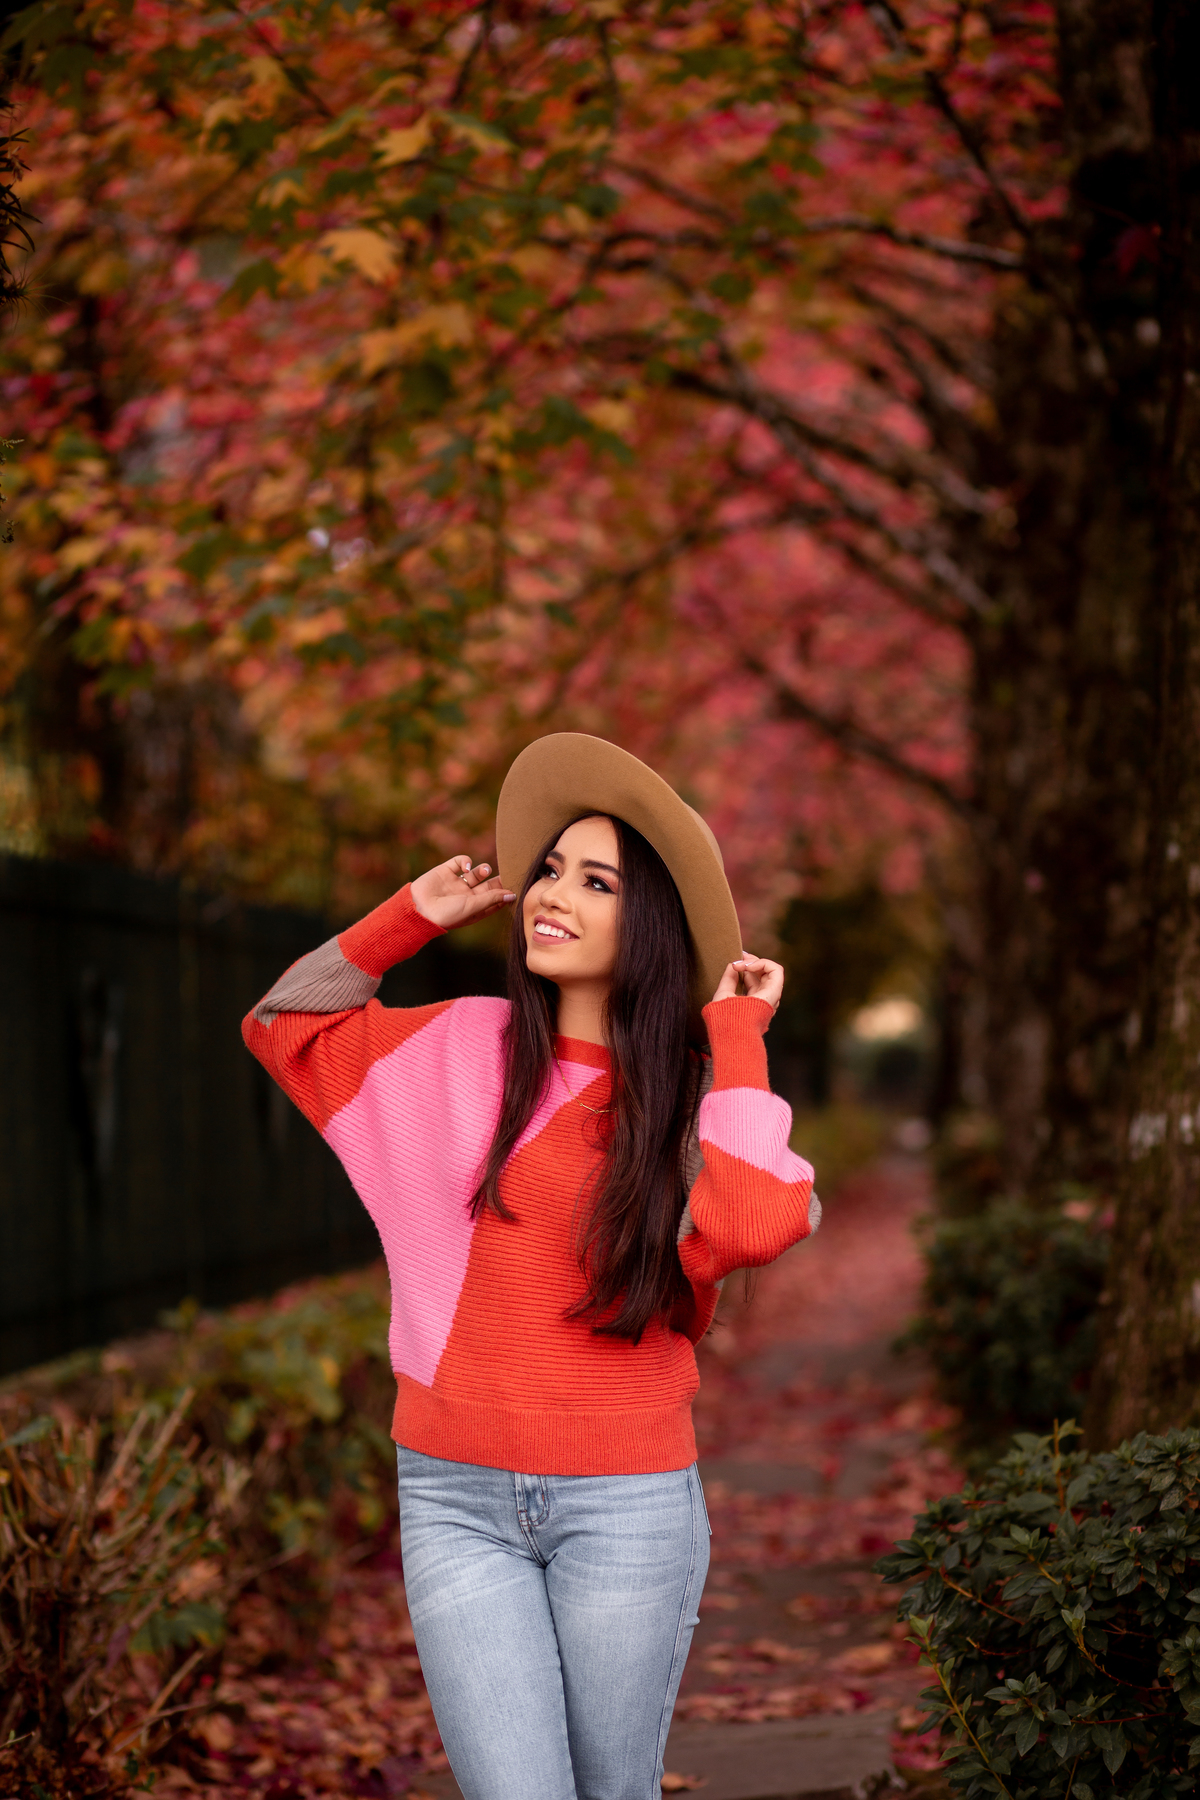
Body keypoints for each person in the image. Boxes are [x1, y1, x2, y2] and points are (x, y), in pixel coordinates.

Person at [243, 733, 819, 1800]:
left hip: (628, 1505)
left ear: (650, 925)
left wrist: (738, 1037)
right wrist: (410, 915)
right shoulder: (460, 1044)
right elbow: (285, 1028)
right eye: (551, 869)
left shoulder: (697, 1103)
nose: (551, 894)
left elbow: (746, 1226)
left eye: (597, 882)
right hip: (453, 1497)